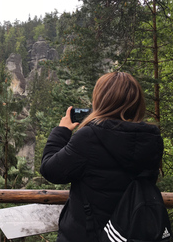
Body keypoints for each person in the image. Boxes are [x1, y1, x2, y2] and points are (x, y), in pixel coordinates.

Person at [40, 72, 164, 242]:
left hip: (89, 235)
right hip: (131, 233)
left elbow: (50, 170)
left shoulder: (90, 137)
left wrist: (62, 131)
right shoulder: (151, 138)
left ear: (100, 101)